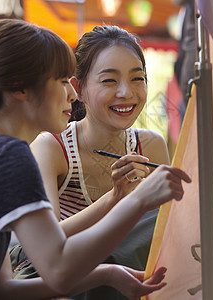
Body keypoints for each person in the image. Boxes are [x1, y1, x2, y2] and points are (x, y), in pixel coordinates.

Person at [0, 19, 191, 299]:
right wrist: (136, 200)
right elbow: (58, 271)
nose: (73, 94)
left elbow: (2, 290)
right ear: (20, 88)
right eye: (63, 81)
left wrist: (108, 274)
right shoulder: (6, 155)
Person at [12, 26, 171, 298]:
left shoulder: (151, 146)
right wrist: (116, 198)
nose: (126, 92)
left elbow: (164, 235)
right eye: (109, 81)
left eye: (137, 78)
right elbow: (44, 243)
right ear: (79, 89)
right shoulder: (52, 147)